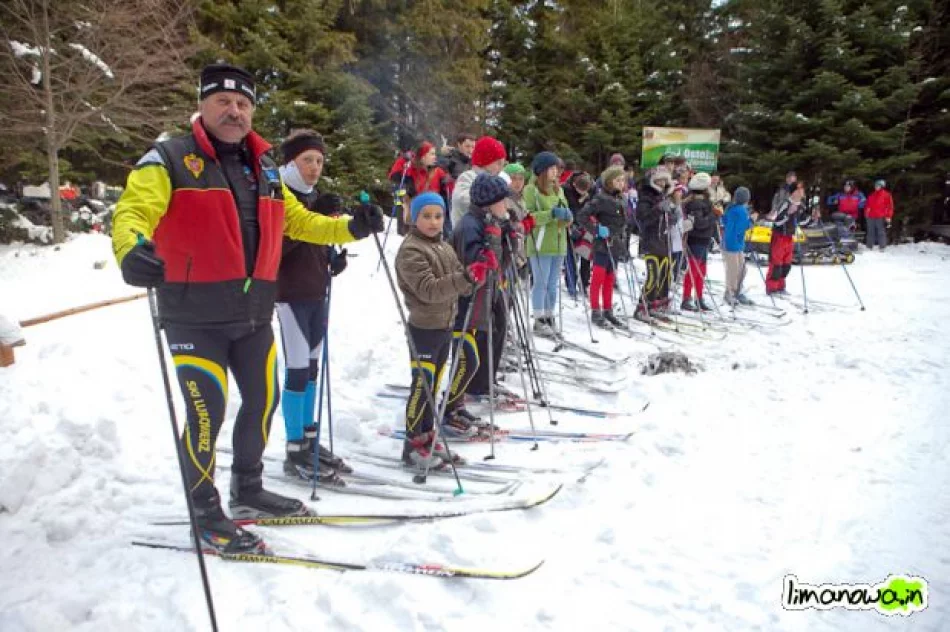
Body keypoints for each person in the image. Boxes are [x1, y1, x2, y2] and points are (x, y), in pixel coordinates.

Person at [111, 63, 384, 553]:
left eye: (243, 104)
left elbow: (299, 222)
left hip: (254, 314)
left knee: (263, 401)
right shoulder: (169, 158)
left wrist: (351, 227)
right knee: (206, 411)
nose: (234, 111)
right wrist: (132, 248)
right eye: (223, 102)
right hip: (194, 316)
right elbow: (134, 210)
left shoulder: (264, 169)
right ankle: (204, 511)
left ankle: (248, 488)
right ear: (203, 104)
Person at [274, 129, 351, 483]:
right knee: (298, 370)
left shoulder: (311, 196)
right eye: (307, 160)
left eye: (319, 161)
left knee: (313, 370)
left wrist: (330, 259)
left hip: (316, 292)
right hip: (290, 296)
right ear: (291, 162)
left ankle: (308, 439)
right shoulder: (280, 196)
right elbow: (275, 250)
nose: (315, 167)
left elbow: (315, 242)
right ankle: (294, 450)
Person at [394, 192, 488, 469]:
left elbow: (460, 279)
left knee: (433, 386)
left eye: (438, 216)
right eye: (427, 216)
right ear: (414, 217)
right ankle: (412, 443)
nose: (434, 222)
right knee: (422, 386)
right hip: (423, 327)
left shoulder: (444, 247)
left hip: (444, 324)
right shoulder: (411, 250)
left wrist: (475, 275)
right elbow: (430, 290)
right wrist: (464, 278)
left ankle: (427, 436)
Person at [449, 174, 511, 433]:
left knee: (477, 352)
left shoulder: (489, 222)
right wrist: (491, 243)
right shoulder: (470, 225)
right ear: (488, 203)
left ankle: (457, 404)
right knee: (467, 358)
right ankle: (451, 406)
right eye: (502, 201)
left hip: (486, 297)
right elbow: (474, 265)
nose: (506, 205)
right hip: (468, 303)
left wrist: (510, 236)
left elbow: (501, 264)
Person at [524, 151, 572, 336]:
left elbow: (566, 211)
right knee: (541, 282)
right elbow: (528, 217)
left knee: (552, 284)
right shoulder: (532, 190)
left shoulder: (558, 190)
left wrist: (568, 216)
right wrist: (550, 214)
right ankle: (539, 318)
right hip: (540, 244)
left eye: (557, 169)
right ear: (542, 170)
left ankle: (549, 315)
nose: (556, 172)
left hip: (558, 243)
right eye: (552, 168)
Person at [576, 166, 628, 328]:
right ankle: (595, 310)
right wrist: (597, 229)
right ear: (609, 182)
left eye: (622, 180)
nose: (621, 183)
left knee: (610, 278)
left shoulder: (620, 199)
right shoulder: (601, 198)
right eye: (617, 180)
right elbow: (582, 216)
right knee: (598, 277)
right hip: (602, 244)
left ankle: (607, 309)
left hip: (615, 244)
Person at [634, 167, 675, 319]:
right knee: (653, 275)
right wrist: (658, 209)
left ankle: (653, 304)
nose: (663, 183)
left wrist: (672, 216)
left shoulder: (663, 196)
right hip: (650, 241)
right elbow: (643, 218)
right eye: (660, 180)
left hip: (663, 241)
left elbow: (665, 220)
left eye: (665, 180)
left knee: (663, 274)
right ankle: (641, 306)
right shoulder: (646, 196)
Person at [389, 142, 450, 236]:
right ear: (423, 156)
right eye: (432, 154)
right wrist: (403, 159)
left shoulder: (438, 171)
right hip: (418, 214)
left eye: (435, 154)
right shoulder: (411, 170)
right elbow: (394, 176)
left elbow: (447, 187)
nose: (435, 157)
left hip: (434, 213)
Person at [451, 136, 508, 228]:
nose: (501, 168)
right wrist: (492, 199)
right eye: (498, 163)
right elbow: (461, 199)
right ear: (486, 161)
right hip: (467, 233)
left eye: (503, 164)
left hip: (487, 234)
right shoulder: (467, 177)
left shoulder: (497, 180)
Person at [681, 172, 716, 312]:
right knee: (694, 269)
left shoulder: (704, 201)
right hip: (696, 239)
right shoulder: (695, 203)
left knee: (701, 269)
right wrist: (713, 215)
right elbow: (699, 223)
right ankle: (686, 298)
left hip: (703, 239)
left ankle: (699, 297)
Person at [765, 182, 804, 295]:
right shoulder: (785, 203)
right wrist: (788, 213)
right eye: (799, 190)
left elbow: (802, 221)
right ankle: (771, 288)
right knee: (776, 263)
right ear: (794, 192)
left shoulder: (800, 205)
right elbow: (776, 222)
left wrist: (813, 218)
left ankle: (781, 286)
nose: (801, 192)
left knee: (786, 264)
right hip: (779, 236)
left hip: (789, 237)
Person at [563, 171, 594, 297]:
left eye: (585, 191)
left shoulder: (592, 189)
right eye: (580, 190)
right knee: (570, 257)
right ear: (574, 185)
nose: (583, 193)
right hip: (571, 225)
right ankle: (571, 284)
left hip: (586, 226)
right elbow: (566, 208)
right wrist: (571, 224)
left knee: (586, 256)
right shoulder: (566, 190)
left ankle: (584, 283)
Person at [721, 187, 754, 306]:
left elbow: (724, 220)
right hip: (732, 244)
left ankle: (737, 291)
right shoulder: (740, 210)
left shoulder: (733, 208)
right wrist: (752, 221)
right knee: (734, 270)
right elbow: (742, 227)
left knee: (741, 269)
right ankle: (729, 293)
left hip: (735, 243)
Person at [504, 163, 529, 279]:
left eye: (521, 178)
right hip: (508, 249)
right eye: (513, 178)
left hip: (520, 248)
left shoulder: (522, 199)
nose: (518, 182)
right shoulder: (504, 199)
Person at [865, 179, 893, 249]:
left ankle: (882, 247)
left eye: (878, 186)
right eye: (875, 185)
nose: (876, 187)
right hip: (870, 216)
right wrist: (866, 213)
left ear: (882, 186)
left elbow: (890, 206)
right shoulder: (871, 195)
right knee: (870, 232)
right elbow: (867, 205)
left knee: (881, 232)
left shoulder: (887, 195)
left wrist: (888, 216)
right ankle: (869, 246)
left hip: (881, 216)